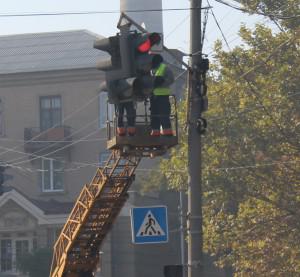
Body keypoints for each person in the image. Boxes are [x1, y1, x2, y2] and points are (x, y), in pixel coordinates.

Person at [150, 55, 174, 136]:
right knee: (154, 115)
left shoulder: (164, 68)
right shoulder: (151, 69)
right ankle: (155, 132)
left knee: (163, 115)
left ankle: (167, 133)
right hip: (153, 97)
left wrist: (162, 81)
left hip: (163, 96)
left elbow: (171, 79)